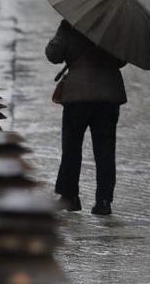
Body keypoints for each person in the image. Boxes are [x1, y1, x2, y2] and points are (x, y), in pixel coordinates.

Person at [46, 19, 126, 216]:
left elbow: (54, 55)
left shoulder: (71, 23)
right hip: (108, 96)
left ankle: (70, 197)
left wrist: (57, 38)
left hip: (77, 97)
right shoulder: (113, 26)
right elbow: (121, 60)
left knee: (72, 148)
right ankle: (104, 201)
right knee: (105, 150)